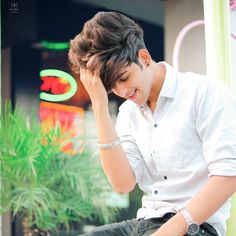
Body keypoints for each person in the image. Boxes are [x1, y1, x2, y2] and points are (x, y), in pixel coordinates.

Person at [68, 11, 236, 236]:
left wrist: (167, 231)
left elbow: (228, 176)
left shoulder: (204, 92)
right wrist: (99, 103)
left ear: (144, 58)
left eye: (124, 77)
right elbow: (122, 183)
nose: (122, 91)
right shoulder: (128, 113)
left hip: (196, 227)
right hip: (144, 223)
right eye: (112, 88)